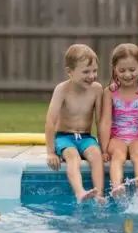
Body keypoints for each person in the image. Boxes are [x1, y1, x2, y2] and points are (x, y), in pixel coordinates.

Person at [45, 43, 106, 203]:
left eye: (94, 71)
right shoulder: (62, 89)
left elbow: (100, 121)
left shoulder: (97, 89)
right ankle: (80, 193)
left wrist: (104, 148)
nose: (91, 76)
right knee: (73, 158)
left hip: (86, 137)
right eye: (86, 71)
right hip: (64, 137)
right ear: (70, 72)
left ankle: (99, 195)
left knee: (96, 156)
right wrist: (51, 152)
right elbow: (50, 121)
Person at [99, 43, 138, 198]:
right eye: (122, 70)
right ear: (114, 69)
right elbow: (106, 122)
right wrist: (104, 149)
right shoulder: (110, 92)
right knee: (117, 154)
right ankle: (117, 187)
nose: (127, 75)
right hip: (116, 138)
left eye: (132, 70)